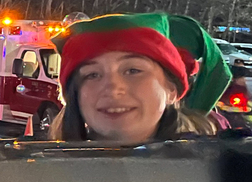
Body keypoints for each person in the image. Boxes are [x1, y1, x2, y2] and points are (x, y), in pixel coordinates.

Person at [48, 13, 227, 143]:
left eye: (133, 70)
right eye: (93, 74)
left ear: (172, 89)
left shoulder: (223, 174)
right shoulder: (35, 173)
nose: (112, 87)